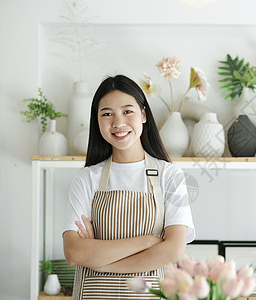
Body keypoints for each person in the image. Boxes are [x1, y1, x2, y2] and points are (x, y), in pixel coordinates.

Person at [62, 74, 195, 299]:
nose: (118, 122)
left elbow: (173, 251)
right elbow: (74, 252)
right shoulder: (86, 179)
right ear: (97, 121)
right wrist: (146, 241)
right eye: (107, 114)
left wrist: (102, 263)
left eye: (127, 111)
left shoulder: (170, 175)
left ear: (143, 114)